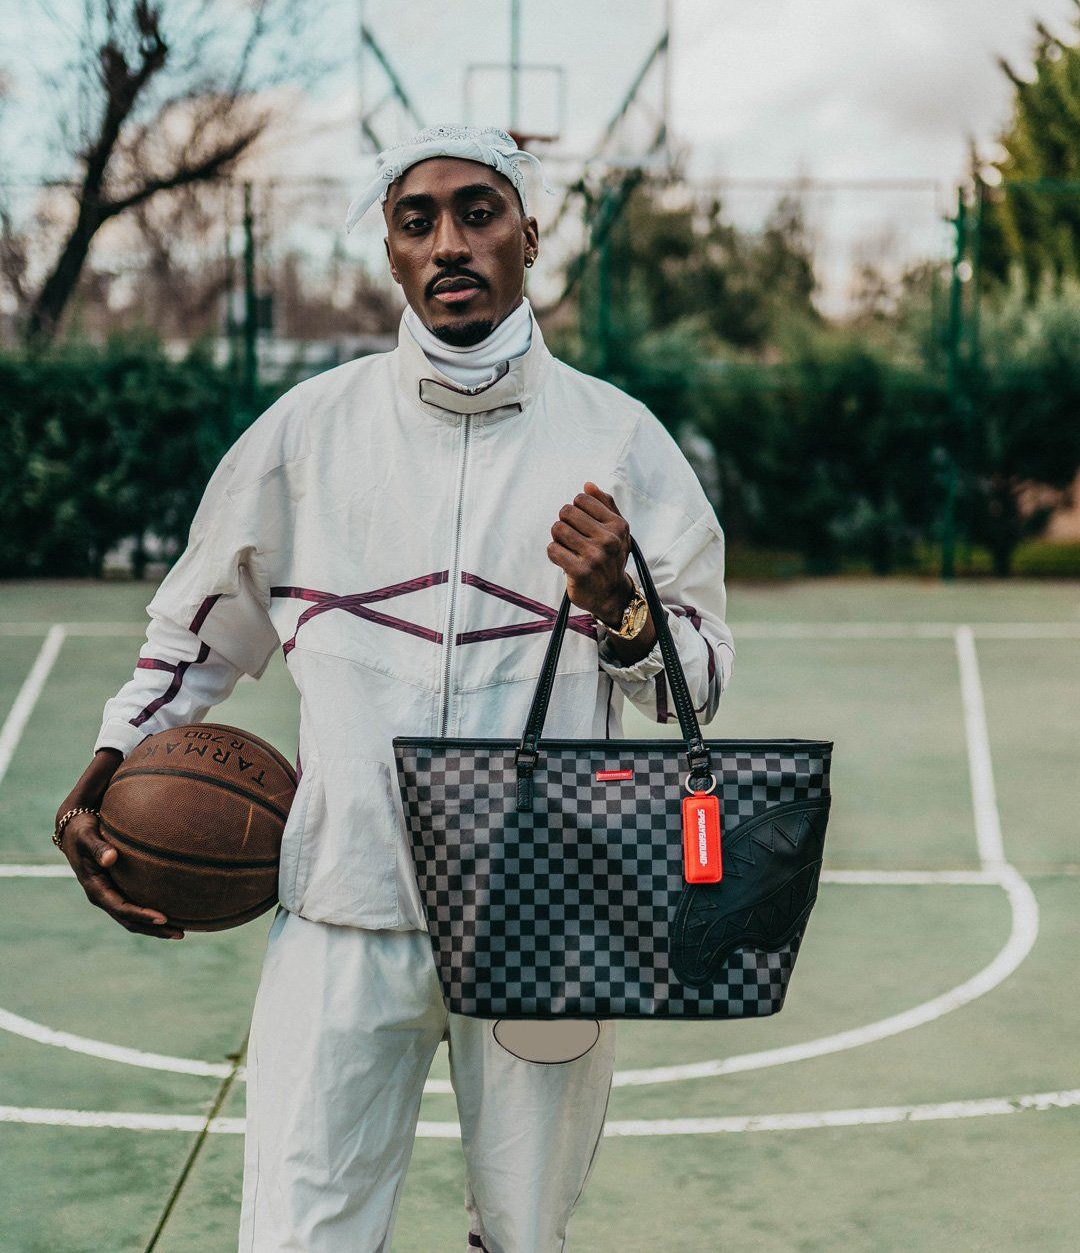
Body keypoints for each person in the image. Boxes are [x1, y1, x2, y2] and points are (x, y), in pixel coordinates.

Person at [54, 124, 735, 1252]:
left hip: (546, 917)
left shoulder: (621, 442)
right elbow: (193, 640)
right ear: (389, 251)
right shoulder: (307, 434)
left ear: (530, 234)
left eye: (478, 212)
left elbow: (701, 681)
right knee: (299, 1233)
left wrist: (622, 601)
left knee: (521, 1235)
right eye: (418, 221)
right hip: (344, 900)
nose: (450, 242)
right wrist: (105, 772)